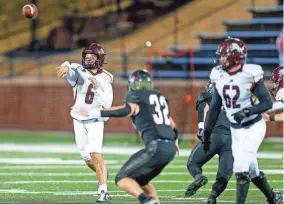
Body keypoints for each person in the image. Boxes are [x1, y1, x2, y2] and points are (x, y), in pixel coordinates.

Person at [77, 70, 178, 204]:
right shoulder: (159, 98)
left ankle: (146, 200)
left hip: (156, 146)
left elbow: (124, 110)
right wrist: (174, 142)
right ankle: (154, 201)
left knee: (122, 178)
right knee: (141, 181)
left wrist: (93, 112)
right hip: (170, 148)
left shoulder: (137, 96)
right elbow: (172, 124)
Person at [203, 37, 283, 204]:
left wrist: (247, 110)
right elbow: (215, 108)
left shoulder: (250, 74)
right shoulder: (219, 76)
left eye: (224, 55)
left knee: (240, 167)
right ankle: (273, 197)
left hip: (254, 126)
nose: (221, 59)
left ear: (234, 56)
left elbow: (267, 103)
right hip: (236, 129)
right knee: (252, 169)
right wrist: (207, 132)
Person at [56, 43, 113, 203]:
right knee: (86, 157)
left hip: (95, 120)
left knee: (95, 153)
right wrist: (66, 66)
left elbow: (108, 103)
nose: (88, 59)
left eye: (92, 57)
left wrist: (97, 88)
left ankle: (103, 191)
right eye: (87, 56)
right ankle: (103, 173)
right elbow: (71, 70)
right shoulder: (79, 72)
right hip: (78, 120)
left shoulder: (106, 77)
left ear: (100, 59)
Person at [185, 81, 233, 204]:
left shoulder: (208, 97)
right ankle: (213, 196)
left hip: (213, 137)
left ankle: (198, 178)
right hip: (231, 140)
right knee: (223, 176)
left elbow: (203, 109)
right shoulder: (234, 100)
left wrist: (201, 128)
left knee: (192, 163)